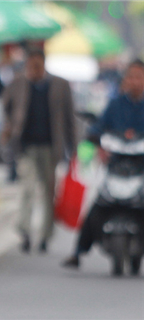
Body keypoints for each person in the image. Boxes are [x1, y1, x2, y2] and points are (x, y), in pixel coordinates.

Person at [63, 59, 144, 268]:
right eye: (131, 76)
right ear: (125, 80)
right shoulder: (115, 105)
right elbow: (97, 128)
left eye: (139, 77)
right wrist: (97, 143)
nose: (135, 81)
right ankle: (78, 251)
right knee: (97, 204)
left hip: (141, 167)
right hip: (116, 165)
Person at [1, 48, 77, 253]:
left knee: (48, 192)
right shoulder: (18, 83)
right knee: (27, 188)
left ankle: (45, 234)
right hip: (25, 146)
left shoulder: (60, 85)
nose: (34, 70)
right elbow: (5, 106)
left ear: (44, 64)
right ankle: (25, 230)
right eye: (31, 65)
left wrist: (73, 149)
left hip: (51, 147)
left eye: (38, 65)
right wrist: (9, 127)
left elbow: (70, 118)